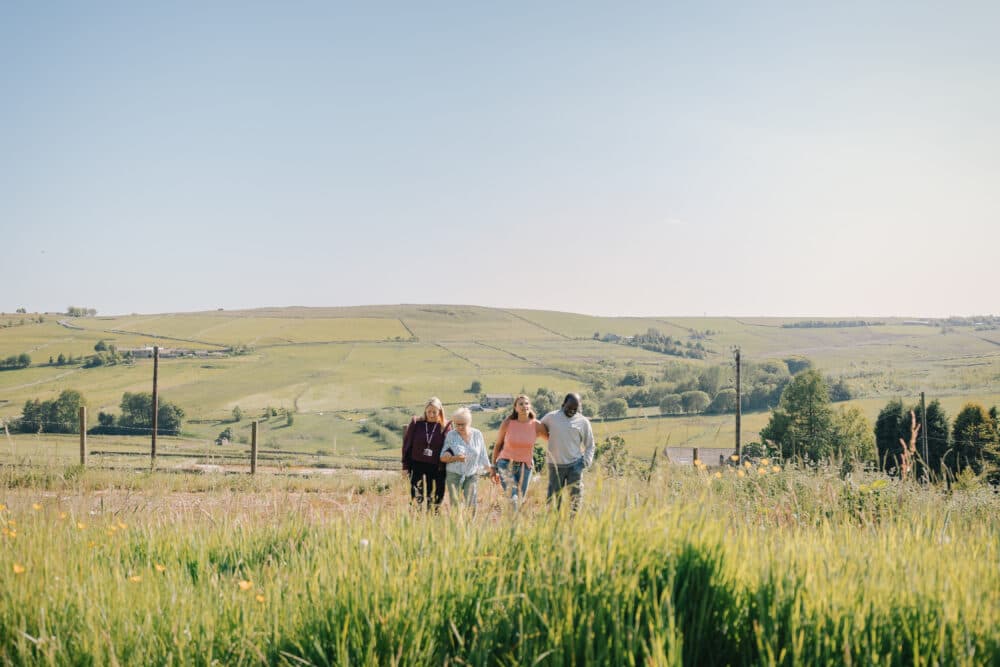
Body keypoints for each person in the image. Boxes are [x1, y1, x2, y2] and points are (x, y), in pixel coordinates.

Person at [491, 394, 548, 509]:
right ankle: (513, 525)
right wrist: (493, 466)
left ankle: (512, 523)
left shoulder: (537, 425)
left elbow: (551, 439)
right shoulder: (508, 423)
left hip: (525, 467)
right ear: (515, 408)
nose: (524, 406)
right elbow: (498, 445)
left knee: (519, 499)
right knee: (513, 499)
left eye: (526, 403)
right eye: (520, 404)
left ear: (530, 406)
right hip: (506, 464)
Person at [540, 393, 595, 512]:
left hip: (575, 465)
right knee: (554, 500)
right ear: (563, 404)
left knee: (575, 500)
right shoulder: (551, 417)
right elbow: (538, 428)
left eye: (575, 409)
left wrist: (585, 463)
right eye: (569, 408)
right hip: (555, 466)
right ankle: (553, 525)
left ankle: (572, 525)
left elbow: (590, 445)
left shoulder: (583, 422)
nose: (571, 411)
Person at [401, 397, 451, 510]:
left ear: (440, 411)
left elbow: (449, 446)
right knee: (416, 497)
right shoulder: (416, 423)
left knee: (435, 499)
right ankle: (416, 520)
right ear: (425, 411)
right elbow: (407, 446)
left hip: (437, 468)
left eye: (434, 412)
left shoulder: (446, 426)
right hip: (418, 465)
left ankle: (433, 521)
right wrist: (405, 466)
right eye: (429, 411)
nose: (431, 415)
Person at [439, 407, 491, 509]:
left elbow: (483, 455)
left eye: (463, 424)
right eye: (457, 424)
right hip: (454, 474)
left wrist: (490, 471)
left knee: (472, 503)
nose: (459, 427)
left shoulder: (477, 434)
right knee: (455, 504)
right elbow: (442, 457)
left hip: (472, 474)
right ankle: (456, 524)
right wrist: (455, 458)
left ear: (469, 422)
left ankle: (471, 524)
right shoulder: (451, 435)